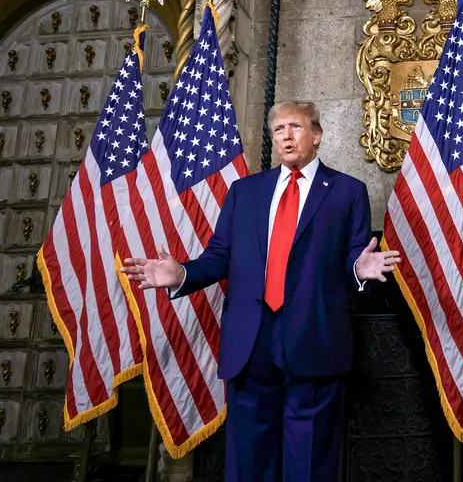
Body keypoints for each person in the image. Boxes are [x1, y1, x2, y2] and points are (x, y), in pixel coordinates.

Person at [121, 100, 400, 481]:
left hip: (314, 338)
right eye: (278, 129)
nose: (286, 136)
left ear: (316, 136)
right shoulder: (245, 192)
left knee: (311, 460)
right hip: (251, 340)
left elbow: (354, 255)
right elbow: (220, 256)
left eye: (295, 127)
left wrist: (360, 269)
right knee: (249, 460)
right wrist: (182, 273)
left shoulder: (347, 191)